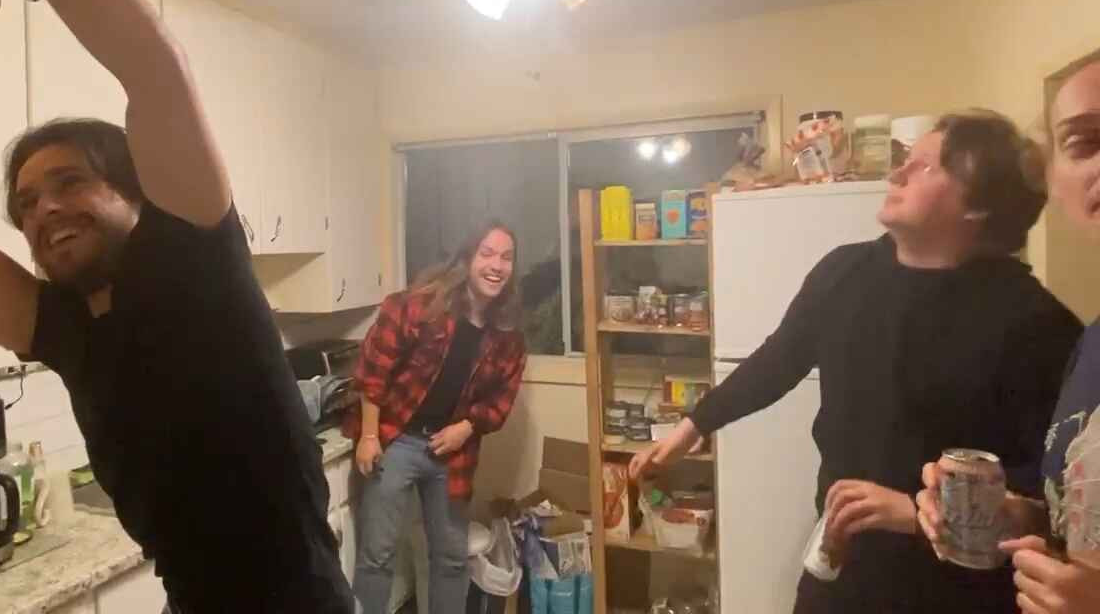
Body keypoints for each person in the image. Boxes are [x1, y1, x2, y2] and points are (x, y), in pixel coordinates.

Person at [0, 0, 353, 613]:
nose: (44, 209)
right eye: (27, 203)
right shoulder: (65, 326)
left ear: (134, 191)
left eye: (70, 182)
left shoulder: (194, 259)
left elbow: (153, 70)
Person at [629, 110, 1082, 613]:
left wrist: (915, 512)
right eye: (905, 160)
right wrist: (691, 427)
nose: (897, 173)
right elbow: (778, 360)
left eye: (925, 166)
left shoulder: (1036, 324)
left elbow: (1054, 491)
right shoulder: (845, 272)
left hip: (956, 585)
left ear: (978, 203)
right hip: (840, 555)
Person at [917, 63, 1100, 614]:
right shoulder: (1092, 345)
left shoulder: (1043, 322)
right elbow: (1077, 522)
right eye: (1085, 142)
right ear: (1055, 180)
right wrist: (1018, 516)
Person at [345, 222, 527, 614]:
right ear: (468, 258)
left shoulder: (508, 334)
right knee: (377, 555)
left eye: (506, 257)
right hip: (394, 440)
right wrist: (370, 437)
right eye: (487, 253)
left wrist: (467, 427)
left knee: (451, 559)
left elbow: (502, 399)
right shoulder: (417, 306)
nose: (496, 265)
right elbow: (373, 372)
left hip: (452, 453)